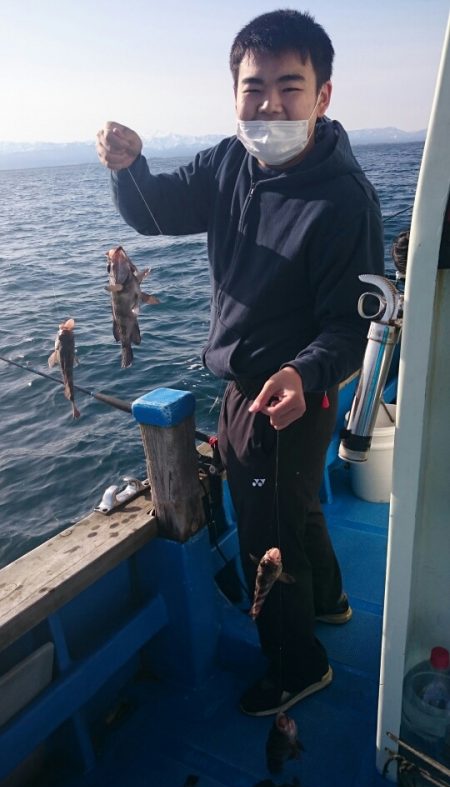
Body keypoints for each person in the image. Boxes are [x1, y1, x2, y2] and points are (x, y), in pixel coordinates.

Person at [96, 9, 384, 717]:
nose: (271, 103)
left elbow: (350, 327)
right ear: (234, 95)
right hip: (254, 388)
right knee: (297, 508)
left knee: (268, 538)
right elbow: (155, 213)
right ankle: (335, 604)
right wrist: (129, 168)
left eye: (291, 86)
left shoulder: (345, 198)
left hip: (287, 397)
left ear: (323, 95)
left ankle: (296, 668)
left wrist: (305, 373)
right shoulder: (228, 162)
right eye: (254, 88)